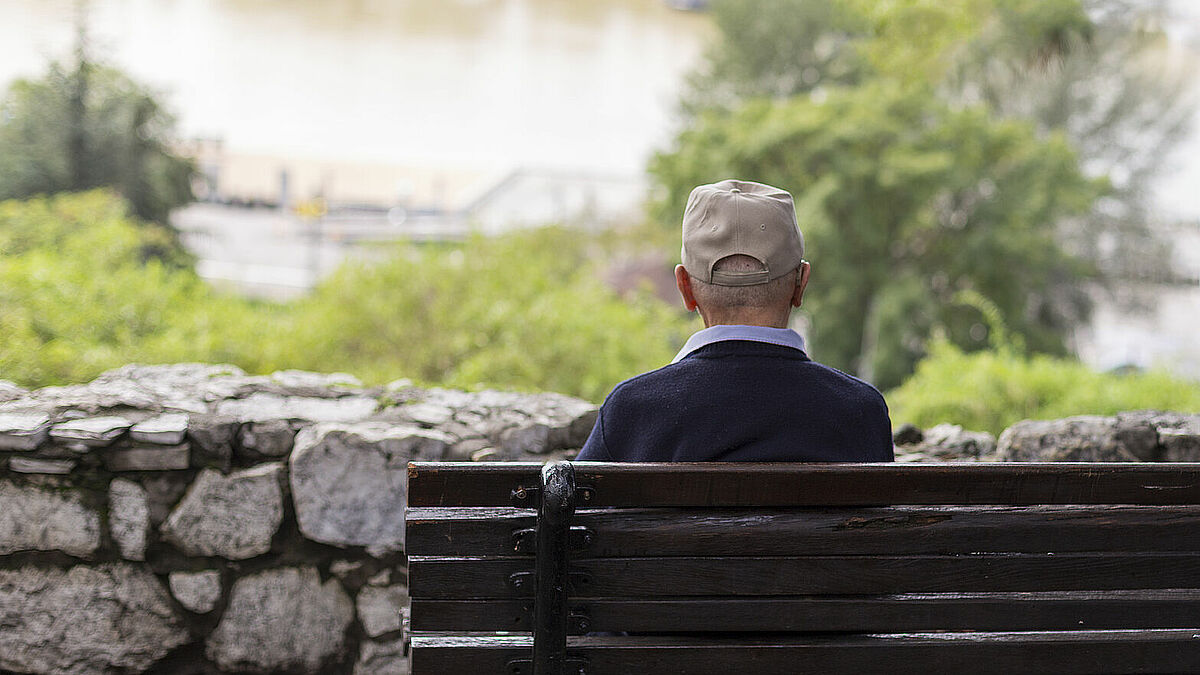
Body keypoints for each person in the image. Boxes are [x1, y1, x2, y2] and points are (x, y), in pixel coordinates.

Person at [576, 178, 893, 462]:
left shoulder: (631, 412)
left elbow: (568, 514)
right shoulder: (861, 411)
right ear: (801, 284)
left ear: (685, 288)